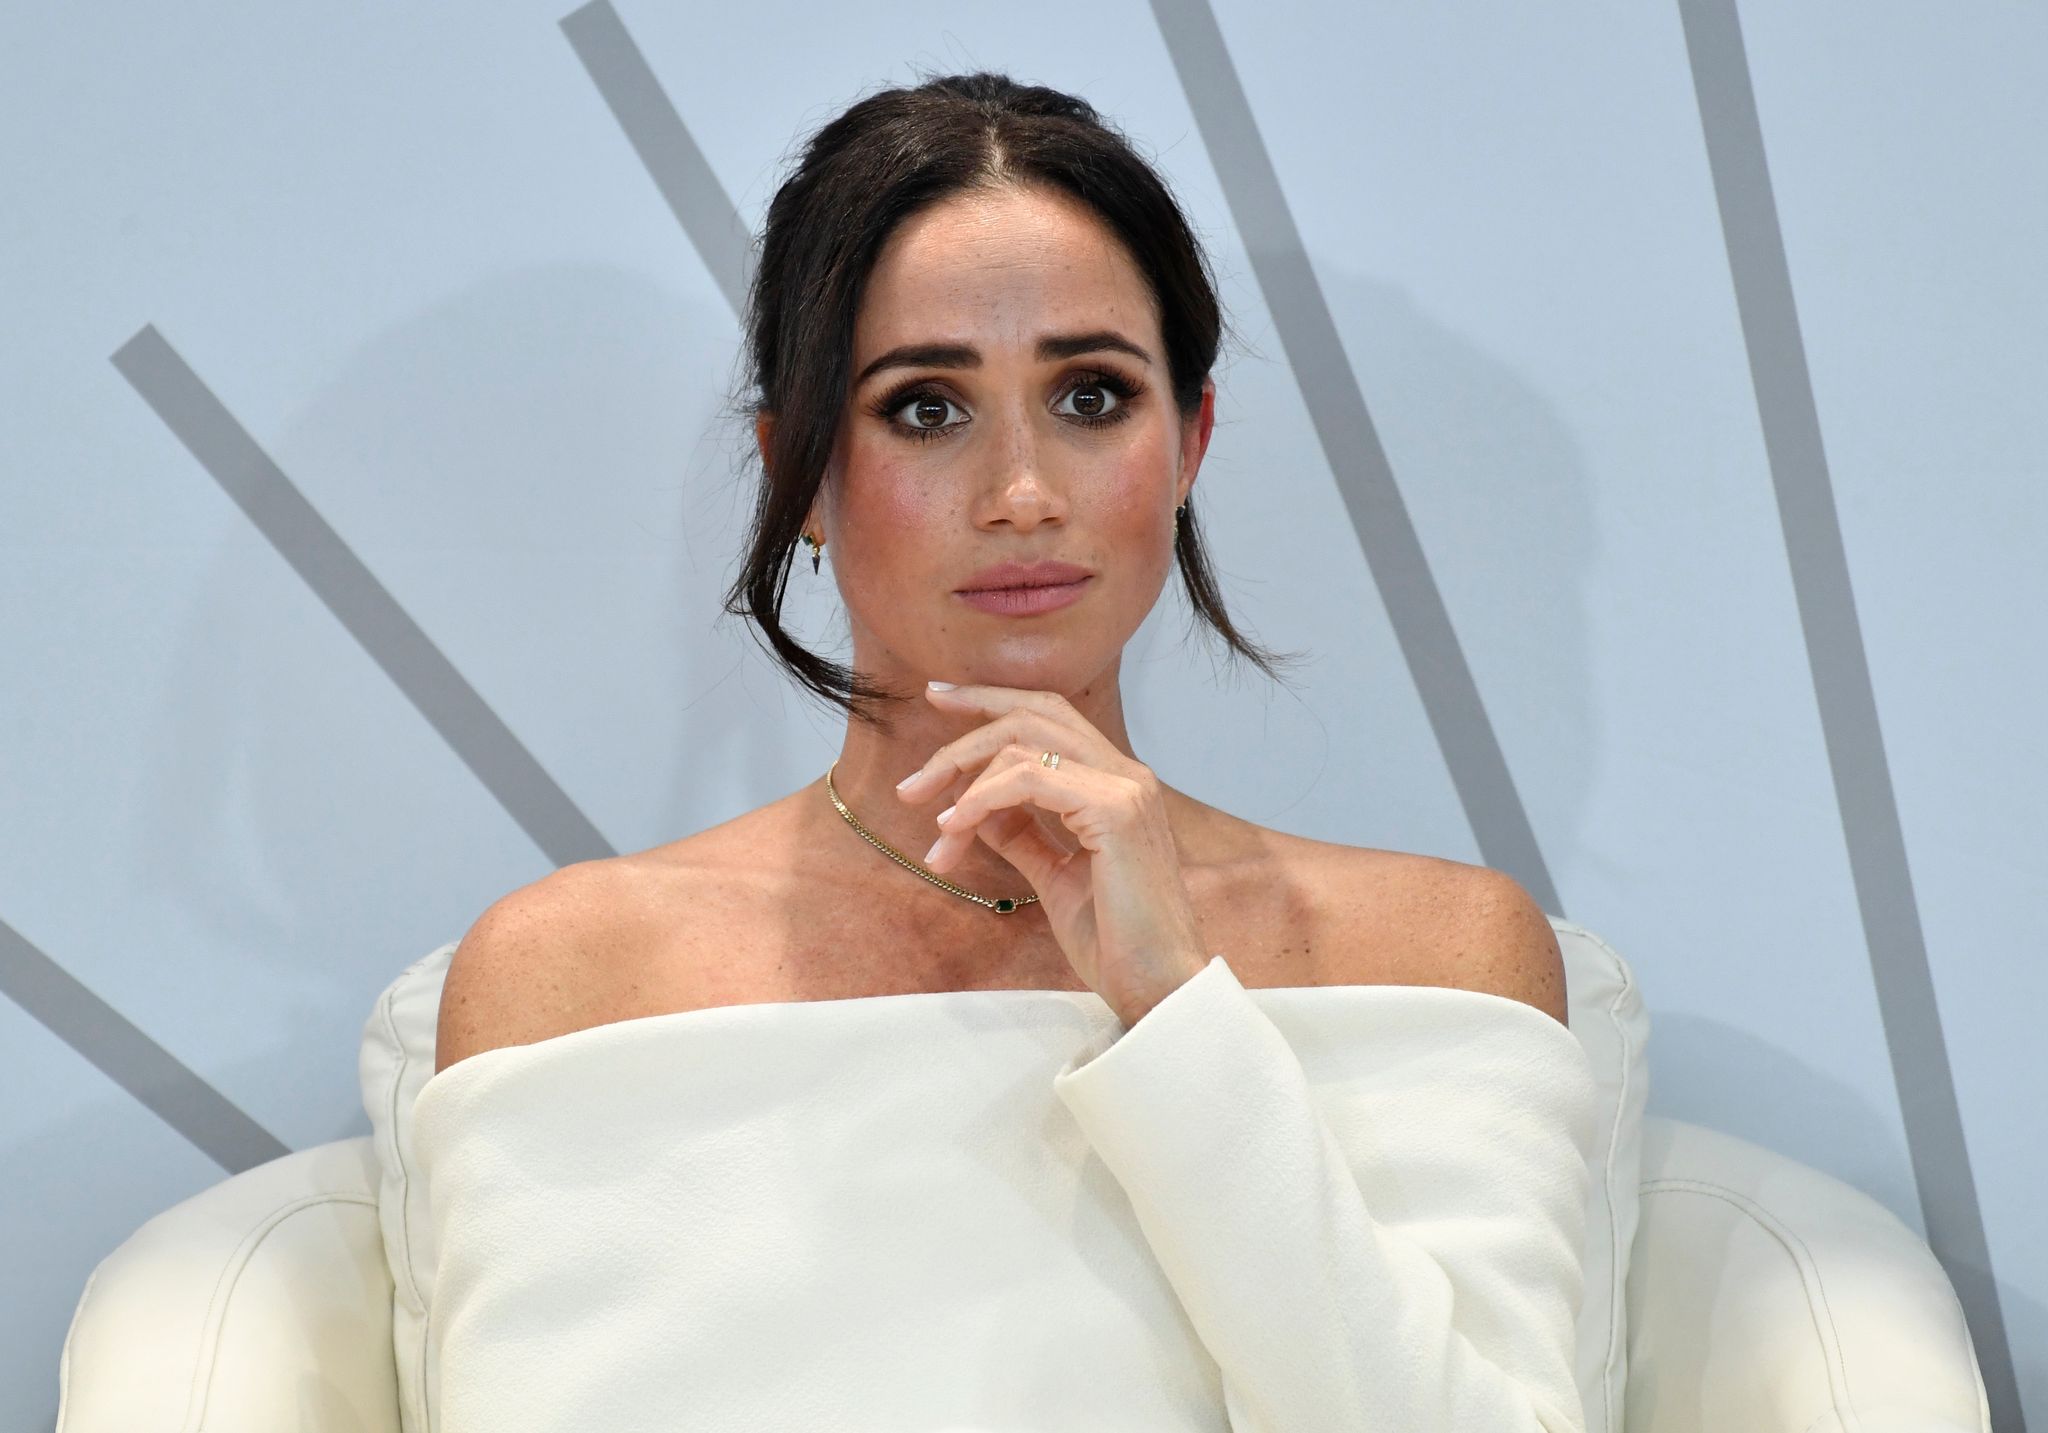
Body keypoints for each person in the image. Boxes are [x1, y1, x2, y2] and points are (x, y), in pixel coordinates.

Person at [417, 70, 1595, 1432]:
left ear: (1191, 442)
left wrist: (1176, 1008)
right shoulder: (571, 976)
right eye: (926, 407)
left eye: (1092, 397)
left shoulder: (1446, 954)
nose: (1023, 495)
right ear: (798, 468)